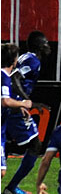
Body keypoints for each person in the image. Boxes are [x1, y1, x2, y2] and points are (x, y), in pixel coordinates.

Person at [3, 32, 50, 194]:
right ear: (39, 46)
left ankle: (10, 187)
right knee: (35, 145)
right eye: (45, 43)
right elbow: (15, 77)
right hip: (15, 106)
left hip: (10, 105)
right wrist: (26, 101)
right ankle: (11, 187)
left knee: (7, 144)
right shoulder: (33, 60)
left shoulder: (26, 57)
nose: (48, 46)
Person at [2, 44, 32, 186]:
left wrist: (18, 107)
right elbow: (5, 101)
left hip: (3, 128)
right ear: (13, 60)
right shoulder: (4, 77)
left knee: (2, 171)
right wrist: (23, 103)